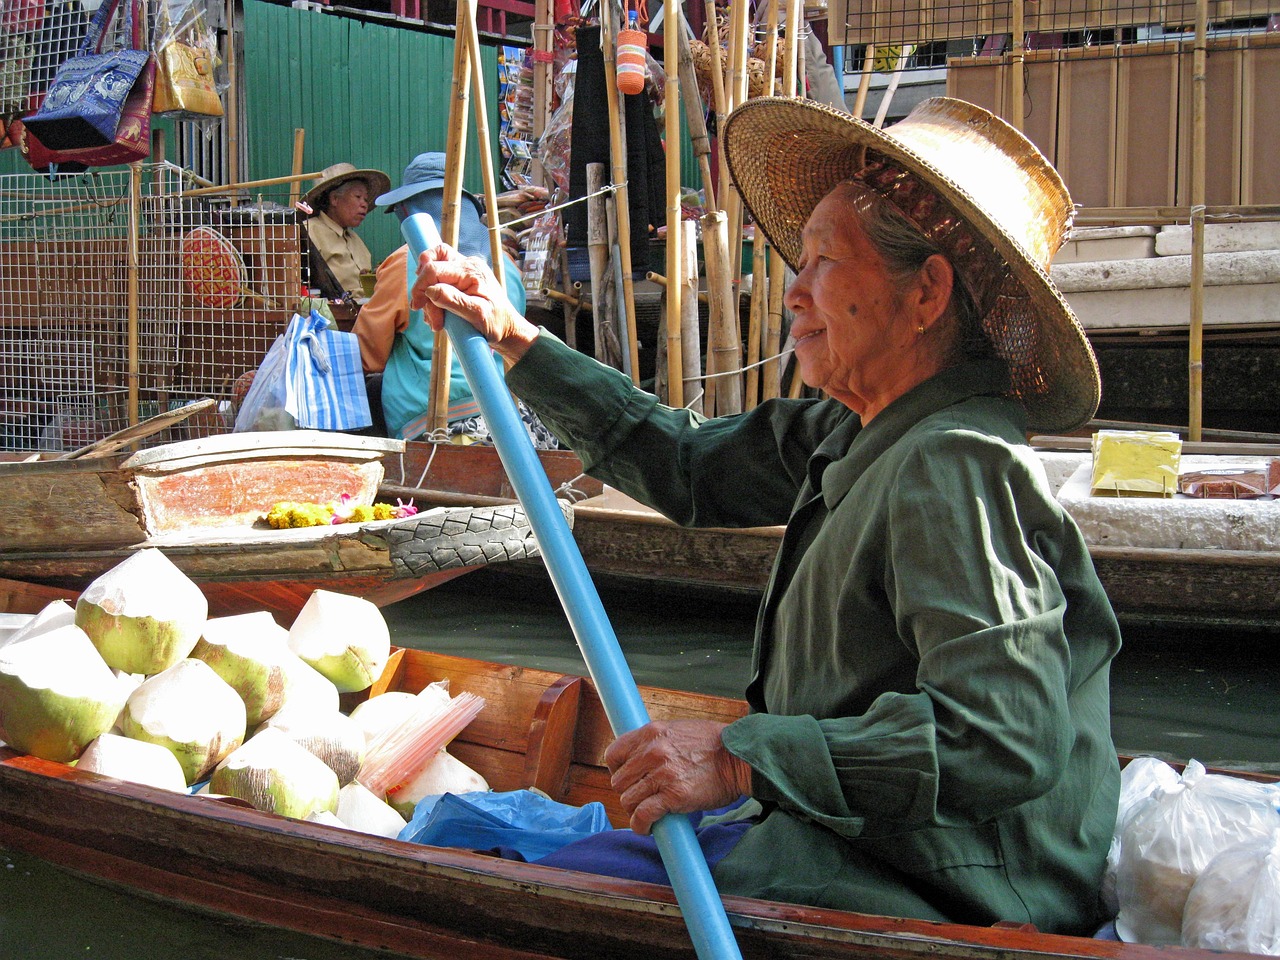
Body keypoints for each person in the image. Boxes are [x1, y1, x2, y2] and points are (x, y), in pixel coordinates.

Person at [409, 97, 1122, 936]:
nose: (793, 292)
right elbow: (683, 464)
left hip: (961, 887)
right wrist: (515, 339)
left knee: (533, 886)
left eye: (823, 263)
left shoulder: (954, 461)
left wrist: (737, 759)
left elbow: (1000, 740)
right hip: (867, 842)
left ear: (926, 292)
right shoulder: (857, 428)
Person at [352, 151, 555, 447]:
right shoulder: (504, 263)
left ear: (409, 213)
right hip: (508, 415)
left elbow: (367, 355)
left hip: (433, 421)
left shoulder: (407, 263)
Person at [302, 162, 391, 299]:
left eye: (366, 199)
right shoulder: (309, 232)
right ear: (335, 199)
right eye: (358, 197)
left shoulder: (356, 241)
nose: (364, 204)